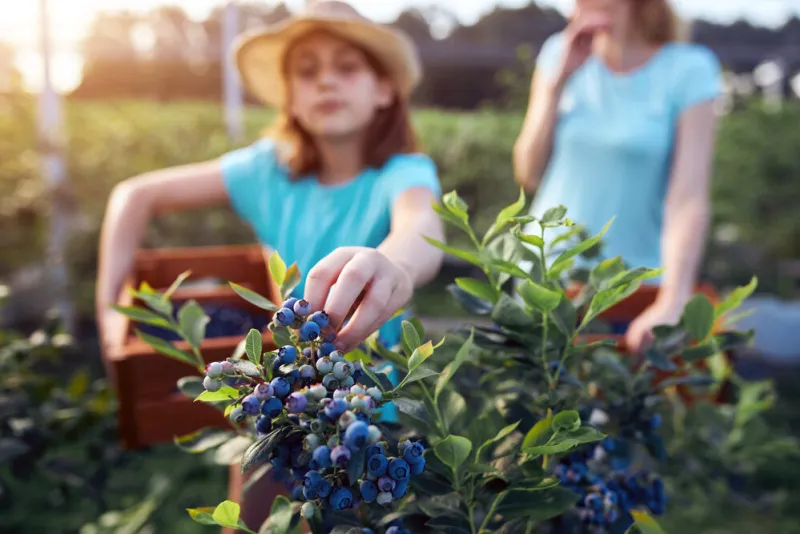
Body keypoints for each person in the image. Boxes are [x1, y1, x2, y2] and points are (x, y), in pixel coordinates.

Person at [95, 1, 444, 530]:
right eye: (307, 72)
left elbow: (422, 228)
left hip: (367, 407)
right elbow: (132, 195)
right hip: (278, 397)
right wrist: (107, 311)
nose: (326, 81)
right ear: (290, 98)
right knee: (250, 524)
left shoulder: (403, 171)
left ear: (384, 89)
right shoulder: (267, 173)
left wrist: (393, 264)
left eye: (347, 67)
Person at [513, 0, 722, 353]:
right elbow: (529, 172)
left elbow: (688, 197)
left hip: (635, 294)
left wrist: (673, 299)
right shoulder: (557, 53)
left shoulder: (689, 69)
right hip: (545, 283)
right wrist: (557, 81)